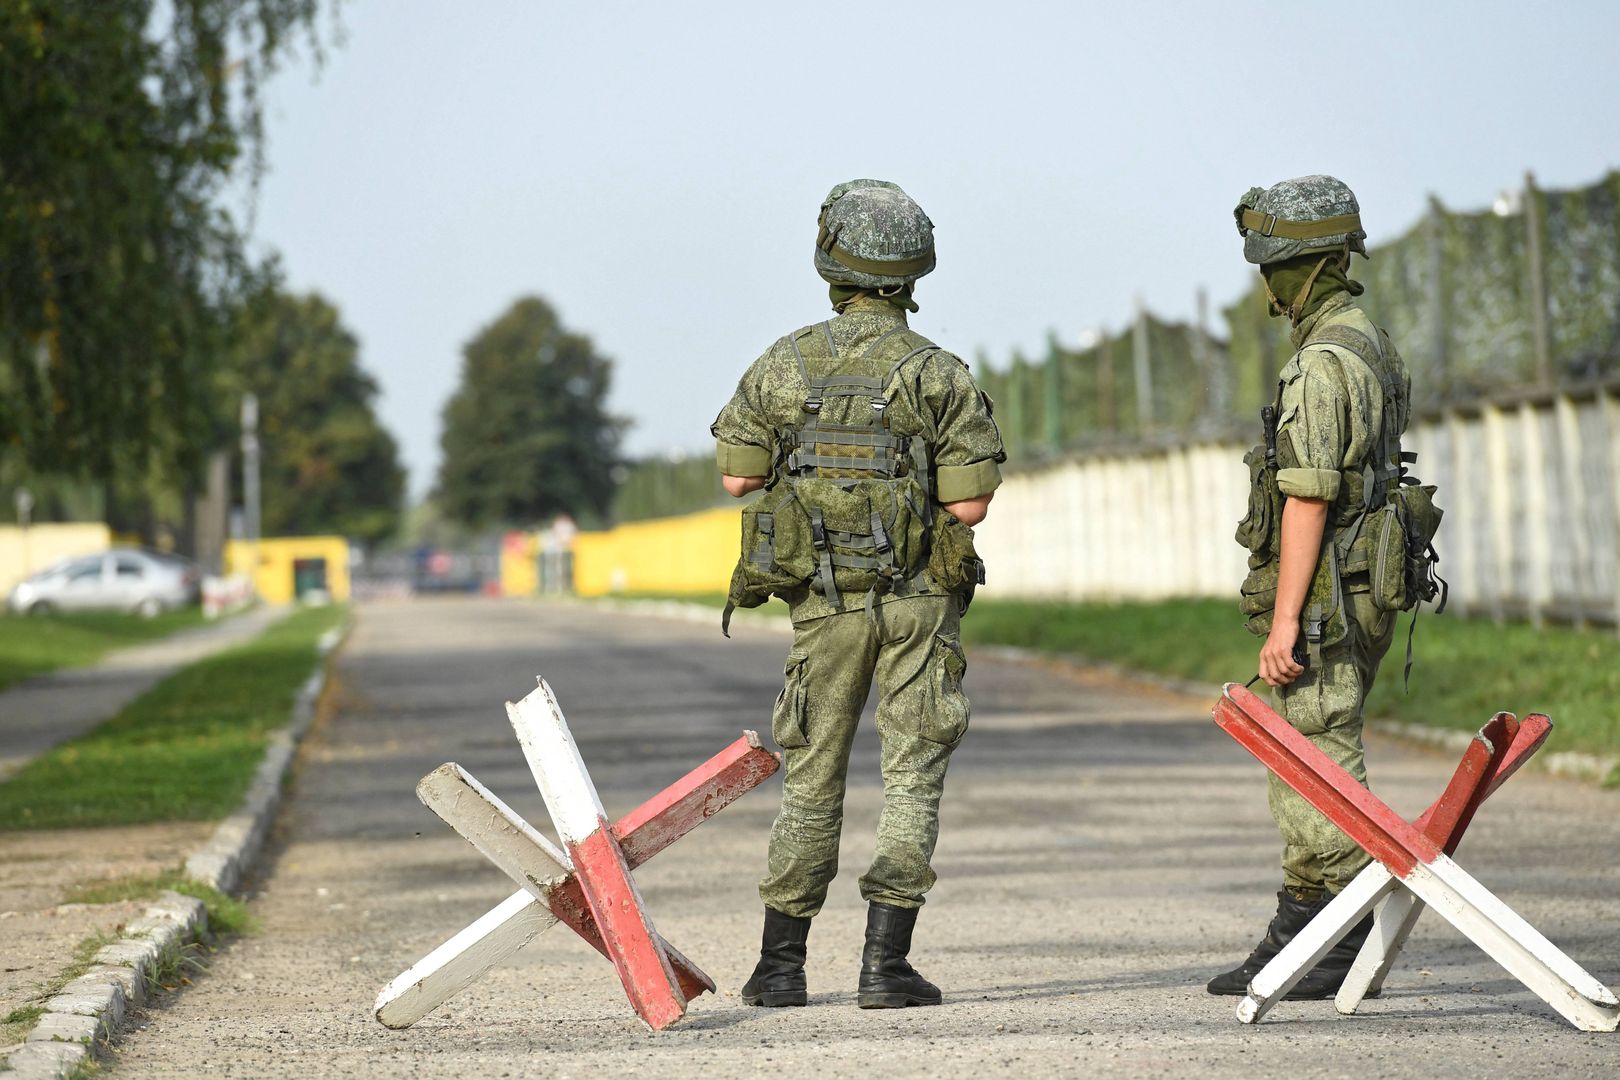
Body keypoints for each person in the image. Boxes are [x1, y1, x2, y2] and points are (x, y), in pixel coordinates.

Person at [710, 179, 1005, 1009]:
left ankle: (780, 967)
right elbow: (970, 505)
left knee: (812, 776)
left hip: (824, 606)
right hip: (917, 605)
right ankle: (886, 967)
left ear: (831, 265)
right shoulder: (937, 372)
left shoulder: (784, 362)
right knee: (912, 773)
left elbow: (738, 476)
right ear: (914, 274)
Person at [1212, 175, 1428, 1000]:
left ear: (1308, 266)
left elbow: (1309, 495)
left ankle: (1330, 933)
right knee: (1307, 748)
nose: (1265, 283)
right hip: (1369, 580)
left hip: (1333, 589)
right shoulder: (1370, 341)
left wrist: (1286, 620)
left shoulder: (1321, 364)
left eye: (1274, 266)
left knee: (1315, 756)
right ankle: (1299, 932)